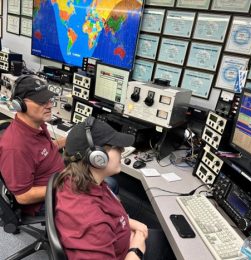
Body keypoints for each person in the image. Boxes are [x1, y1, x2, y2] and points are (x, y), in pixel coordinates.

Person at [54, 116, 174, 260]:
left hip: (122, 237)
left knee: (170, 241)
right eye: (116, 147)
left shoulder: (82, 180)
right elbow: (98, 225)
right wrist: (136, 249)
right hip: (130, 251)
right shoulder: (92, 221)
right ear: (97, 158)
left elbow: (110, 216)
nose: (122, 150)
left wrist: (131, 224)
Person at [0, 75, 66, 216]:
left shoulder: (37, 124)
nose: (49, 105)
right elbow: (23, 196)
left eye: (49, 99)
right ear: (20, 104)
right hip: (44, 200)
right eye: (41, 101)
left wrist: (66, 140)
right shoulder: (15, 147)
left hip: (60, 181)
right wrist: (64, 186)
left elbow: (41, 152)